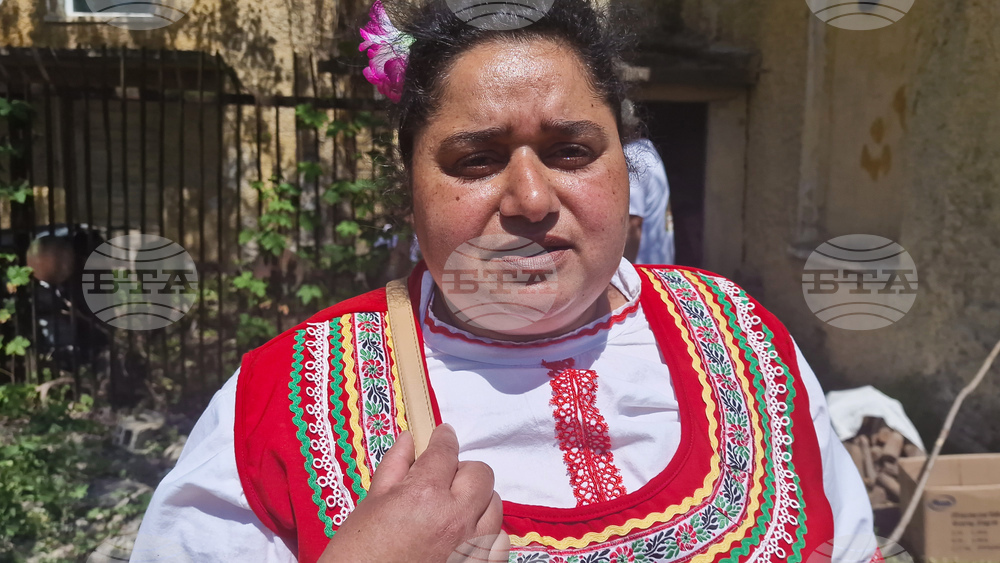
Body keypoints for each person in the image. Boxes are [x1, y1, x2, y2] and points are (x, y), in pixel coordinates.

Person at [132, 1, 879, 562]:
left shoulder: (742, 337)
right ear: (410, 189)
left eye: (572, 150)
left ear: (626, 169)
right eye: (477, 160)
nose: (530, 199)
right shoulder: (283, 396)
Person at [623, 136, 675, 265]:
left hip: (640, 270)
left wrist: (621, 275)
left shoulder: (632, 154)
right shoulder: (645, 149)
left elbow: (632, 224)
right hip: (658, 268)